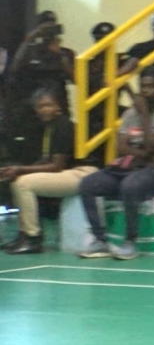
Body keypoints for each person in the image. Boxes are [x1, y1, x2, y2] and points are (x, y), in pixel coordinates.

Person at [77, 67, 154, 261]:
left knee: (130, 186)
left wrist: (144, 117)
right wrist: (146, 154)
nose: (145, 90)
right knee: (87, 185)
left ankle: (130, 242)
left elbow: (152, 145)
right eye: (142, 86)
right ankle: (100, 240)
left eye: (150, 86)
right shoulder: (129, 114)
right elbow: (121, 148)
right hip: (128, 165)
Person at [1, 89, 99, 254]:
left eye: (48, 105)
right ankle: (24, 233)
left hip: (83, 172)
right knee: (17, 180)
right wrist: (15, 170)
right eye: (40, 107)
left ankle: (33, 238)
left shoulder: (63, 125)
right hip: (68, 173)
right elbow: (46, 160)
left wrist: (21, 169)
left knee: (23, 184)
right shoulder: (49, 128)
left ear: (58, 107)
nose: (44, 109)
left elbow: (56, 166)